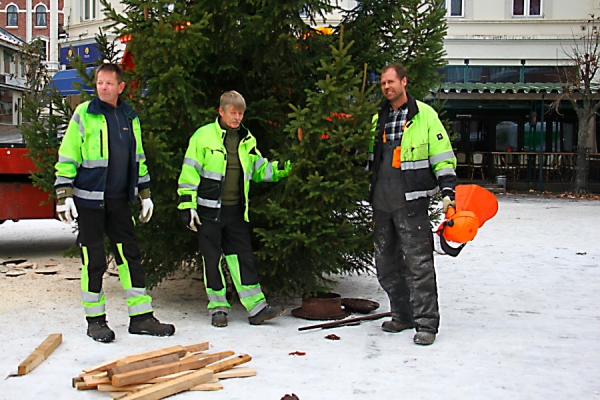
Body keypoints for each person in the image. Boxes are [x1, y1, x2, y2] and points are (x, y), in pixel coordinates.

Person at [54, 62, 175, 343]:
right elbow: (68, 155)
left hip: (120, 201)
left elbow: (138, 158)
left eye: (109, 83)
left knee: (130, 257)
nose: (103, 87)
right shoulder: (83, 114)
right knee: (93, 260)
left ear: (120, 87)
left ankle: (141, 318)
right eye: (99, 83)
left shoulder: (130, 117)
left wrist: (145, 194)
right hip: (89, 202)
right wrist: (64, 193)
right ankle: (95, 321)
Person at [177, 90, 291, 327]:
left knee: (242, 258)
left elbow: (261, 170)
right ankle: (218, 308)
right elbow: (189, 172)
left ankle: (256, 308)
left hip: (236, 211)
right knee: (212, 260)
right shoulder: (203, 137)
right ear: (221, 111)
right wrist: (187, 205)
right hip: (208, 212)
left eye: (240, 113)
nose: (237, 118)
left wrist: (289, 167)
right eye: (233, 113)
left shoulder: (247, 140)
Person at [368, 64, 457, 346]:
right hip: (382, 203)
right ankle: (402, 315)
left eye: (391, 81)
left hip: (412, 202)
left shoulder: (425, 117)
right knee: (385, 265)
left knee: (419, 265)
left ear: (404, 82)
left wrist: (447, 191)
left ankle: (426, 323)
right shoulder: (377, 118)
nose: (387, 87)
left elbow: (442, 156)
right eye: (383, 83)